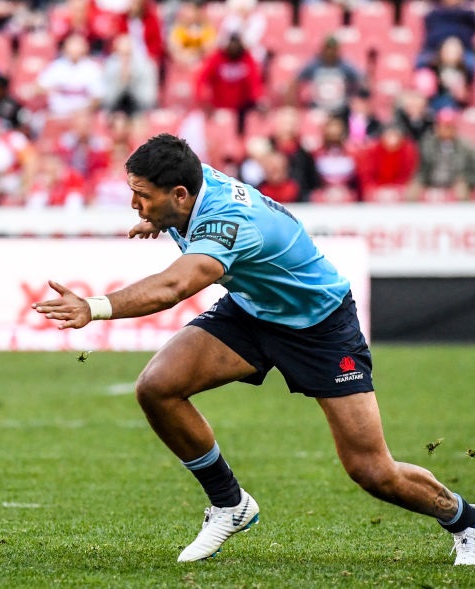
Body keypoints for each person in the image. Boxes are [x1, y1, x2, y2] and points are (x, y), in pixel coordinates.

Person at [32, 133, 475, 565]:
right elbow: (185, 221)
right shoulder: (189, 188)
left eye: (142, 196)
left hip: (319, 325)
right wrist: (159, 217)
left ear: (181, 194)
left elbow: (174, 286)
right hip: (253, 311)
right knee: (157, 387)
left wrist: (95, 306)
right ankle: (230, 504)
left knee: (372, 470)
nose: (134, 204)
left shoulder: (228, 221)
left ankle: (465, 521)